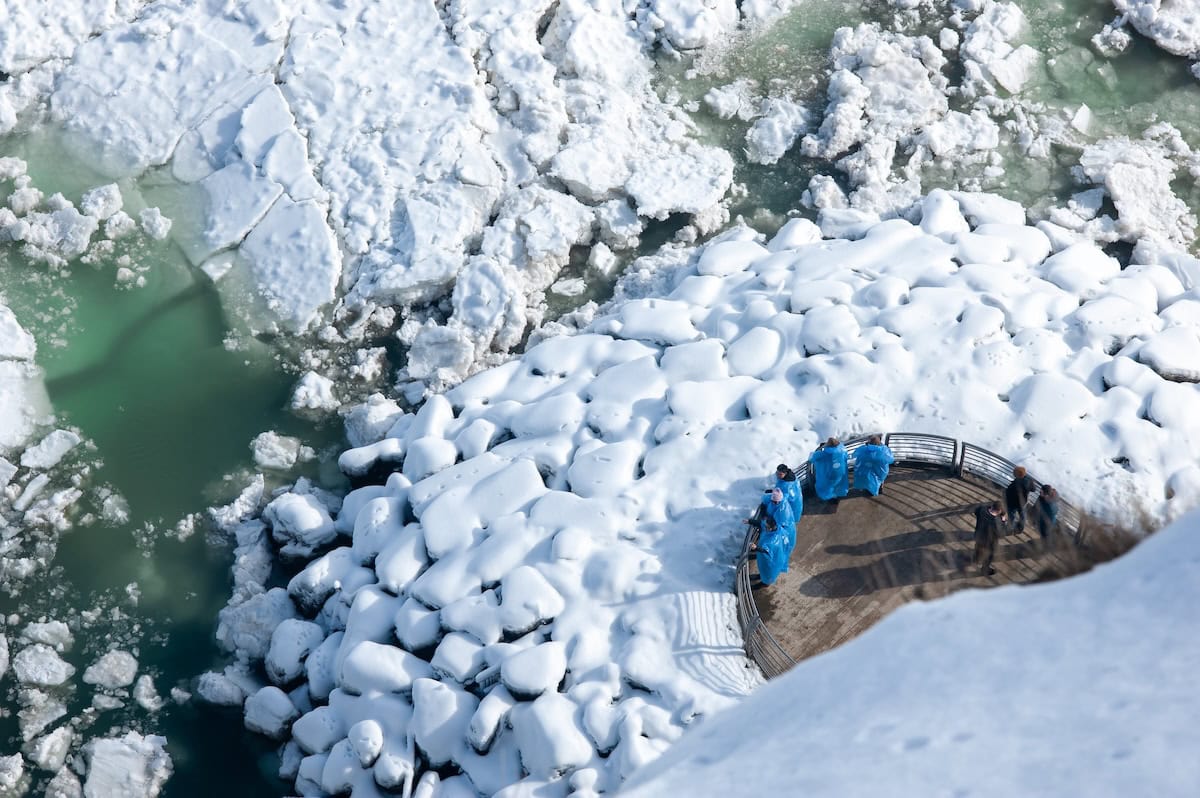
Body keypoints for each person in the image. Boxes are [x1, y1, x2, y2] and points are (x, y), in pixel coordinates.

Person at [752, 517, 789, 586]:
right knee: (764, 571)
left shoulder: (773, 541)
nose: (765, 527)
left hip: (773, 562)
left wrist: (756, 548)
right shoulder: (778, 529)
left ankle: (763, 584)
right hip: (776, 556)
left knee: (768, 574)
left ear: (770, 528)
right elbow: (762, 524)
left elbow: (766, 551)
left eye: (767, 527)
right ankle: (761, 576)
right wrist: (750, 521)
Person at [973, 500, 1005, 575]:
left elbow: (976, 511)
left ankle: (976, 559)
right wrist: (1003, 521)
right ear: (999, 511)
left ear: (992, 506)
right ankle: (985, 569)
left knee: (978, 548)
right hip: (989, 541)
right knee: (989, 554)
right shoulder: (997, 522)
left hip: (979, 536)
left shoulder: (982, 510)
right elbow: (1001, 534)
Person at [764, 485, 797, 555]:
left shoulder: (783, 510)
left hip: (785, 529)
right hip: (778, 526)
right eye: (773, 501)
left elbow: (780, 525)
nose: (775, 503)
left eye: (776, 502)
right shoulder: (777, 500)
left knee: (783, 545)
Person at [1005, 466, 1036, 532]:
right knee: (1023, 515)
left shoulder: (1015, 484)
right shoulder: (1029, 480)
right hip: (1023, 503)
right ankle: (1021, 527)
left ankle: (1010, 528)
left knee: (1011, 516)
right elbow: (1033, 489)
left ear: (1016, 475)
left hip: (1013, 504)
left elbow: (1008, 493)